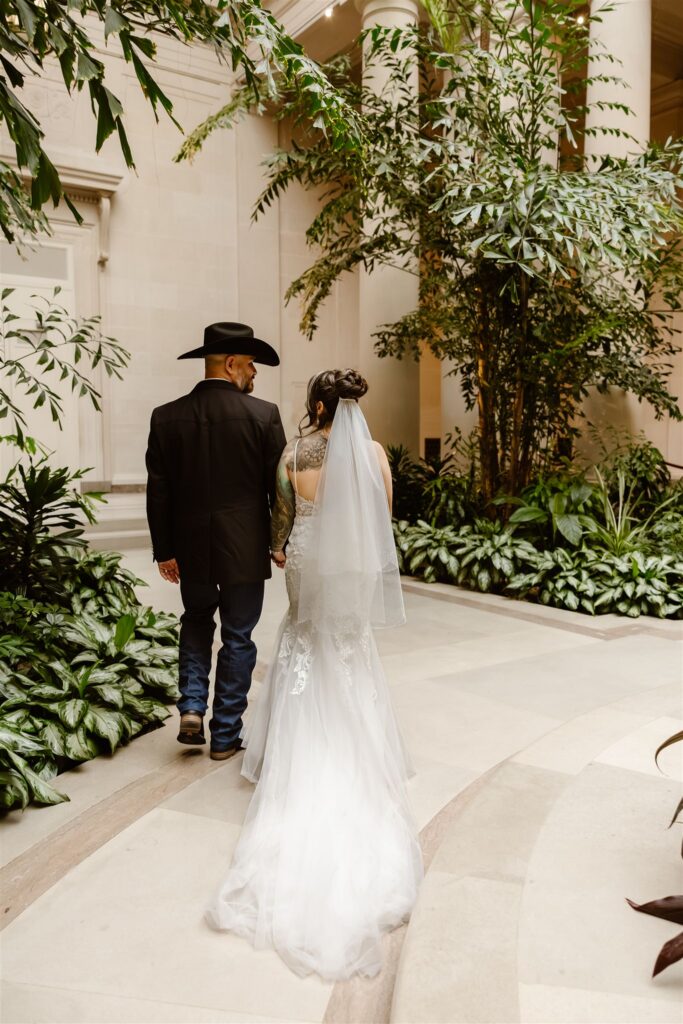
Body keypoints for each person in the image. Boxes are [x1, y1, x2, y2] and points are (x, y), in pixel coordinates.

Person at [206, 369, 423, 980]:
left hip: (305, 553)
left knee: (303, 634)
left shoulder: (294, 452)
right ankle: (357, 742)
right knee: (348, 644)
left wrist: (282, 547)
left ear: (319, 405)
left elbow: (280, 515)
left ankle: (293, 746)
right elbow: (382, 513)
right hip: (352, 561)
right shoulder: (375, 453)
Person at [145, 322, 286, 760]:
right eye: (250, 365)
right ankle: (225, 733)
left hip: (191, 547)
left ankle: (190, 707)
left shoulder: (166, 416)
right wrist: (279, 540)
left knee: (196, 620)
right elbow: (277, 489)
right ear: (230, 363)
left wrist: (165, 550)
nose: (254, 375)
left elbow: (159, 490)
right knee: (239, 635)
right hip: (245, 545)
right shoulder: (263, 415)